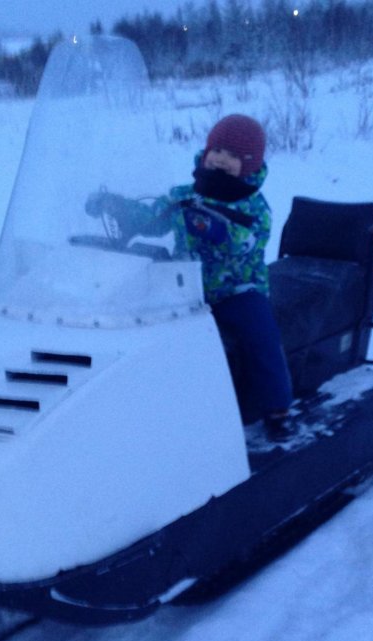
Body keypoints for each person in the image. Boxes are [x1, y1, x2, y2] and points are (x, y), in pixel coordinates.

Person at [85, 113, 293, 429]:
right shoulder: (185, 195)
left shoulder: (254, 206)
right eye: (218, 151)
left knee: (261, 338)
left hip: (237, 292)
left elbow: (248, 240)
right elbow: (152, 218)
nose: (223, 160)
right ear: (206, 152)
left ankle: (276, 408)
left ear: (250, 164)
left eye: (235, 156)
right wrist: (117, 206)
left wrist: (219, 230)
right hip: (183, 286)